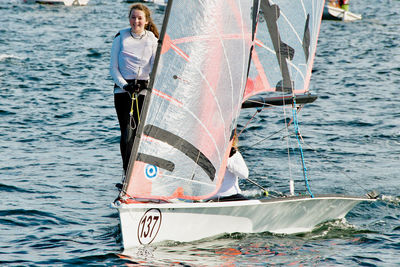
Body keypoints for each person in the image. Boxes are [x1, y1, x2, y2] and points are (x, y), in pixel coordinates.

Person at [110, 4, 159, 174]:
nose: (135, 21)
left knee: (142, 131)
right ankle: (127, 173)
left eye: (139, 18)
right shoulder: (120, 37)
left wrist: (147, 83)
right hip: (123, 90)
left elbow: (155, 66)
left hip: (143, 89)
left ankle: (142, 172)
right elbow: (113, 68)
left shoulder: (152, 38)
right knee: (127, 133)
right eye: (133, 17)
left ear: (146, 21)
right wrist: (125, 85)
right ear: (129, 18)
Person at [211, 133, 249, 201]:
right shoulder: (208, 153)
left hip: (232, 195)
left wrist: (227, 162)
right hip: (211, 198)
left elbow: (244, 175)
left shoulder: (234, 154)